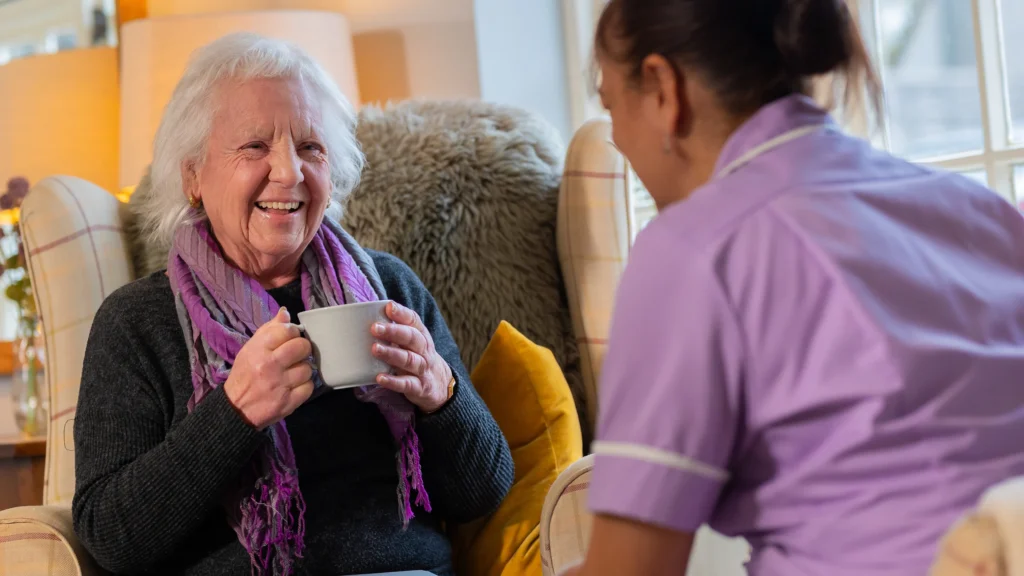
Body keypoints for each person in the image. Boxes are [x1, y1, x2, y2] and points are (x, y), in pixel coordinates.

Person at [567, 1, 1024, 575]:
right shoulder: (979, 209)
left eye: (612, 107)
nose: (619, 142)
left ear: (664, 89)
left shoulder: (693, 249)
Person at [72, 33, 513, 576]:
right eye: (255, 146)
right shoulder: (136, 323)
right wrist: (234, 413)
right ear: (193, 175)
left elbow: (483, 493)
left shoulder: (390, 288)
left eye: (311, 147)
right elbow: (110, 539)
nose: (290, 172)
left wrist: (439, 396)